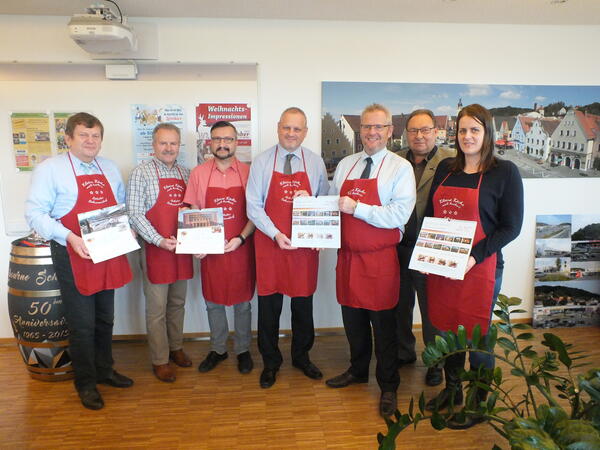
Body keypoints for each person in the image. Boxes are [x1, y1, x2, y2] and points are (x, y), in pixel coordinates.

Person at [424, 104, 523, 428]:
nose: (467, 136)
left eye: (474, 130)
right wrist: (427, 253)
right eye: (462, 130)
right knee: (445, 330)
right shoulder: (446, 168)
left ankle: (479, 403)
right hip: (444, 264)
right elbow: (431, 216)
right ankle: (453, 392)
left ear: (487, 133)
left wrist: (473, 256)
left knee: (476, 335)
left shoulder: (504, 172)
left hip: (481, 267)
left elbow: (511, 227)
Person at [25, 112, 133, 410]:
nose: (90, 141)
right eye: (84, 135)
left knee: (105, 318)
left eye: (95, 135)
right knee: (82, 324)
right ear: (68, 138)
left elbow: (119, 206)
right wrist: (71, 238)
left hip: (107, 249)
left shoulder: (109, 167)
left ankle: (105, 370)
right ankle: (85, 383)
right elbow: (35, 214)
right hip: (73, 252)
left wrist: (125, 228)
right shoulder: (51, 169)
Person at [326, 104, 416, 417]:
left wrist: (358, 208)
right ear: (360, 129)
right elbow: (331, 204)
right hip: (348, 258)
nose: (372, 132)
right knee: (354, 323)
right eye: (367, 127)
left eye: (379, 127)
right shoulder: (346, 165)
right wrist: (306, 203)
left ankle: (389, 385)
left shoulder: (399, 168)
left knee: (385, 328)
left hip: (379, 261)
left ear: (390, 131)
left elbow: (399, 215)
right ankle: (357, 370)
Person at [246, 107, 329, 388]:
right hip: (271, 244)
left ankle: (302, 356)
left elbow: (324, 201)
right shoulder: (261, 162)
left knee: (303, 305)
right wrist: (275, 233)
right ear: (278, 127)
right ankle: (271, 362)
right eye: (287, 128)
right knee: (269, 307)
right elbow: (253, 206)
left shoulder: (315, 162)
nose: (291, 133)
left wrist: (318, 229)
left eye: (297, 129)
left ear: (305, 132)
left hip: (304, 246)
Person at [183, 121, 256, 375]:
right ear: (210, 143)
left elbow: (255, 214)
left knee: (243, 303)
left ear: (237, 142)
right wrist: (197, 241)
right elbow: (192, 210)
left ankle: (243, 349)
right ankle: (218, 349)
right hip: (210, 250)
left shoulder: (249, 173)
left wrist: (242, 238)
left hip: (241, 247)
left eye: (228, 139)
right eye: (217, 139)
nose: (223, 144)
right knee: (213, 302)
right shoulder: (198, 173)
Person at [127, 123, 193, 383]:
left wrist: (196, 241)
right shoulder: (140, 173)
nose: (168, 148)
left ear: (179, 146)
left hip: (182, 249)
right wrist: (158, 239)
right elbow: (134, 213)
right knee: (157, 309)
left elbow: (194, 210)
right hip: (155, 249)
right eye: (163, 143)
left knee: (177, 303)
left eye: (173, 143)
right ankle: (160, 359)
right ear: (153, 146)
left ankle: (176, 347)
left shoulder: (187, 173)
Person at [396, 110, 455, 387]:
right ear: (406, 133)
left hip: (431, 247)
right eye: (413, 131)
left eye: (425, 130)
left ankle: (435, 362)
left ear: (435, 132)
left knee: (432, 312)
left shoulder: (452, 161)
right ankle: (403, 352)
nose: (419, 136)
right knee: (399, 305)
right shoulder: (395, 160)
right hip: (397, 246)